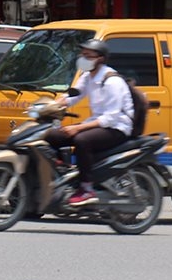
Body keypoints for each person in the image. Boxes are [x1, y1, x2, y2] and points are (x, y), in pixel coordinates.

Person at [45, 39, 134, 206]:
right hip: (99, 123)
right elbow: (74, 95)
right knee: (51, 135)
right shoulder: (88, 76)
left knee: (81, 140)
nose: (83, 58)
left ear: (99, 58)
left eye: (87, 55)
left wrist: (78, 127)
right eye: (82, 54)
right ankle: (66, 175)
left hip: (117, 128)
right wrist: (53, 105)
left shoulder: (112, 81)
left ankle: (87, 189)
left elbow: (110, 118)